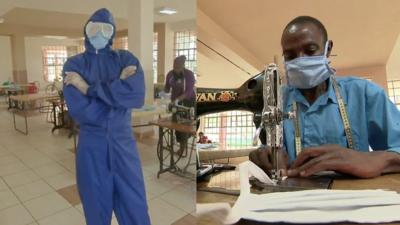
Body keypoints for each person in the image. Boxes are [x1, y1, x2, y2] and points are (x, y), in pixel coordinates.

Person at [250, 16, 400, 179]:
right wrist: (265, 157)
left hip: (355, 195)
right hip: (294, 196)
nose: (300, 60)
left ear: (328, 48)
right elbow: (272, 151)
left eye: (310, 50)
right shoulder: (277, 102)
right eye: (290, 55)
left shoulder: (364, 93)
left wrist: (370, 159)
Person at [62, 8, 150, 225]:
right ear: (85, 31)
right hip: (92, 146)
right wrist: (117, 91)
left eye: (105, 29)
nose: (99, 34)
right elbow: (82, 111)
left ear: (113, 33)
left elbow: (136, 95)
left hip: (123, 145)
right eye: (94, 28)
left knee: (134, 205)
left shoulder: (126, 59)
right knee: (95, 206)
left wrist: (88, 88)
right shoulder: (73, 65)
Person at [164, 55, 196, 155]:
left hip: (188, 101)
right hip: (175, 102)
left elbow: (189, 91)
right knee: (176, 124)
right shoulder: (170, 74)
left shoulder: (189, 75)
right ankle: (182, 145)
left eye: (178, 67)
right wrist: (163, 93)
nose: (176, 70)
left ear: (183, 66)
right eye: (174, 67)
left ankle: (183, 148)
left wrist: (177, 99)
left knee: (184, 125)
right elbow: (167, 88)